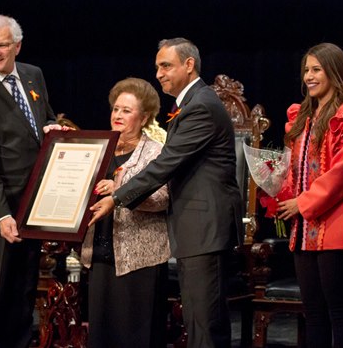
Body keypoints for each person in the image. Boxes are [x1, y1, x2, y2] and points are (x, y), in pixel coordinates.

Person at [90, 38, 244, 348]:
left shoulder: (200, 105)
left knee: (205, 325)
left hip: (205, 228)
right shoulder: (191, 104)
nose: (159, 73)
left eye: (166, 66)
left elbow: (166, 164)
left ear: (189, 65)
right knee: (201, 322)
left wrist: (116, 197)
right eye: (157, 67)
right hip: (195, 230)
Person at [0, 14, 65, 348]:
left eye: (1, 45)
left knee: (22, 297)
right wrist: (2, 214)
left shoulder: (33, 75)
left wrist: (51, 128)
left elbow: (43, 118)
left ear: (17, 45)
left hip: (33, 207)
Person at [277, 42, 343, 348]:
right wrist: (280, 193)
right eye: (306, 70)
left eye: (317, 70)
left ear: (335, 73)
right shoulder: (303, 117)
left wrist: (301, 202)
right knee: (312, 312)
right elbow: (293, 168)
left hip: (335, 227)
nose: (309, 76)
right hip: (304, 231)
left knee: (338, 310)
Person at [80, 77, 170, 348]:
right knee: (101, 337)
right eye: (116, 109)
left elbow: (162, 199)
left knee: (134, 338)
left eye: (126, 111)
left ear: (143, 118)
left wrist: (119, 188)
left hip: (139, 259)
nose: (118, 115)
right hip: (99, 256)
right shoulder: (98, 148)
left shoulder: (156, 153)